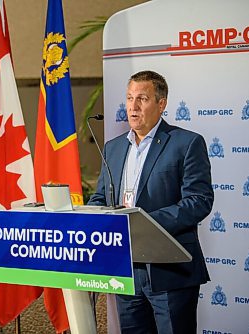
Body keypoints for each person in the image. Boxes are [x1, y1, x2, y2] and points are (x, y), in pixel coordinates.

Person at [88, 70, 213, 333]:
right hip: (125, 269)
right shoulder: (113, 147)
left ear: (161, 103)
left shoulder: (187, 143)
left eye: (142, 98)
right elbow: (101, 196)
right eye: (129, 98)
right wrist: (89, 212)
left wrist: (144, 223)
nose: (132, 107)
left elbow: (199, 200)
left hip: (170, 270)